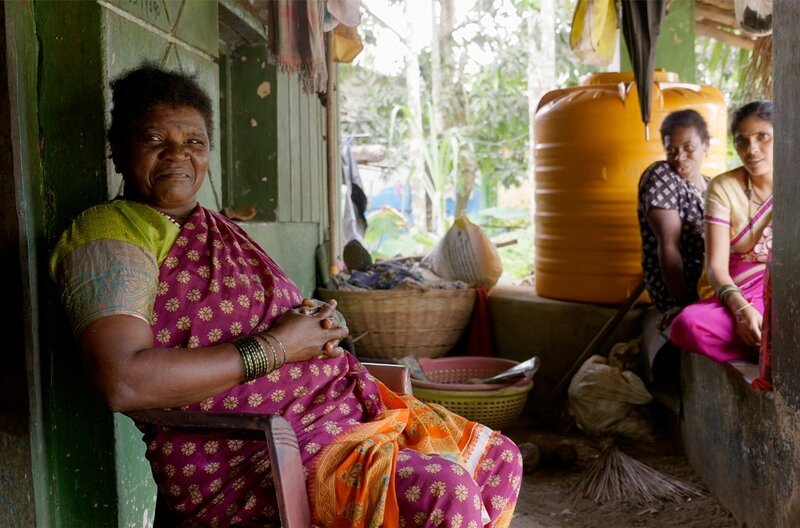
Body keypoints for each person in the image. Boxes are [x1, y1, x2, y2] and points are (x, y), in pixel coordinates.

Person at [50, 64, 522, 527]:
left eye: (194, 141)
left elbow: (266, 318)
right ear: (117, 151)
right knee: (443, 488)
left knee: (499, 457)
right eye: (155, 139)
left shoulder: (219, 229)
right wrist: (281, 347)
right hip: (251, 454)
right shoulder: (114, 231)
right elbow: (122, 380)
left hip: (342, 417)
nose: (178, 154)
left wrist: (318, 327)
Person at [670, 101, 774, 363]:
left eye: (763, 137)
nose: (752, 150)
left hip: (782, 289)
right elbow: (716, 268)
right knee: (688, 326)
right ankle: (768, 346)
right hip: (738, 293)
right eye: (742, 141)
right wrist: (741, 310)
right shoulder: (724, 187)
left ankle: (767, 346)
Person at [637, 109, 711, 384]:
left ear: (706, 145)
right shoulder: (662, 177)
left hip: (707, 283)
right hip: (678, 288)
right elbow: (668, 246)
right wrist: (683, 303)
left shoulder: (711, 186)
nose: (679, 157)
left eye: (689, 148)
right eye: (672, 150)